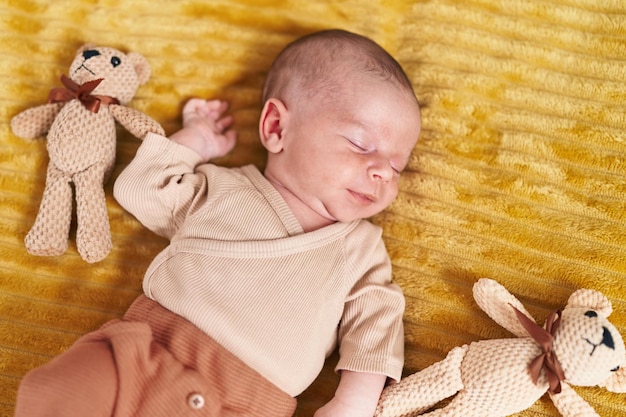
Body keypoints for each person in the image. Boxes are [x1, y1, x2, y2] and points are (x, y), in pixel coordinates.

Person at [14, 29, 421, 417]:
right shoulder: (221, 189)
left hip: (249, 404)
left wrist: (354, 401)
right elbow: (140, 188)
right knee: (60, 388)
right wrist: (197, 142)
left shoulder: (363, 251)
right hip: (144, 358)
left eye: (396, 164)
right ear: (277, 127)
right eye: (361, 144)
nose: (383, 171)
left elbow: (377, 324)